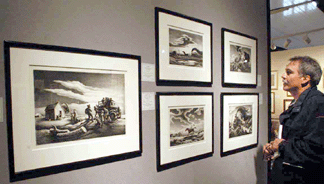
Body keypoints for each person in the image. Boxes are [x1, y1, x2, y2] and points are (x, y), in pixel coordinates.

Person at [263, 56, 324, 183]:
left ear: (305, 79)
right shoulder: (298, 103)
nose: (283, 76)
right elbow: (294, 137)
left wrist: (280, 146)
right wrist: (273, 146)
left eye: (289, 72)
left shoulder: (318, 103)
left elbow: (316, 150)